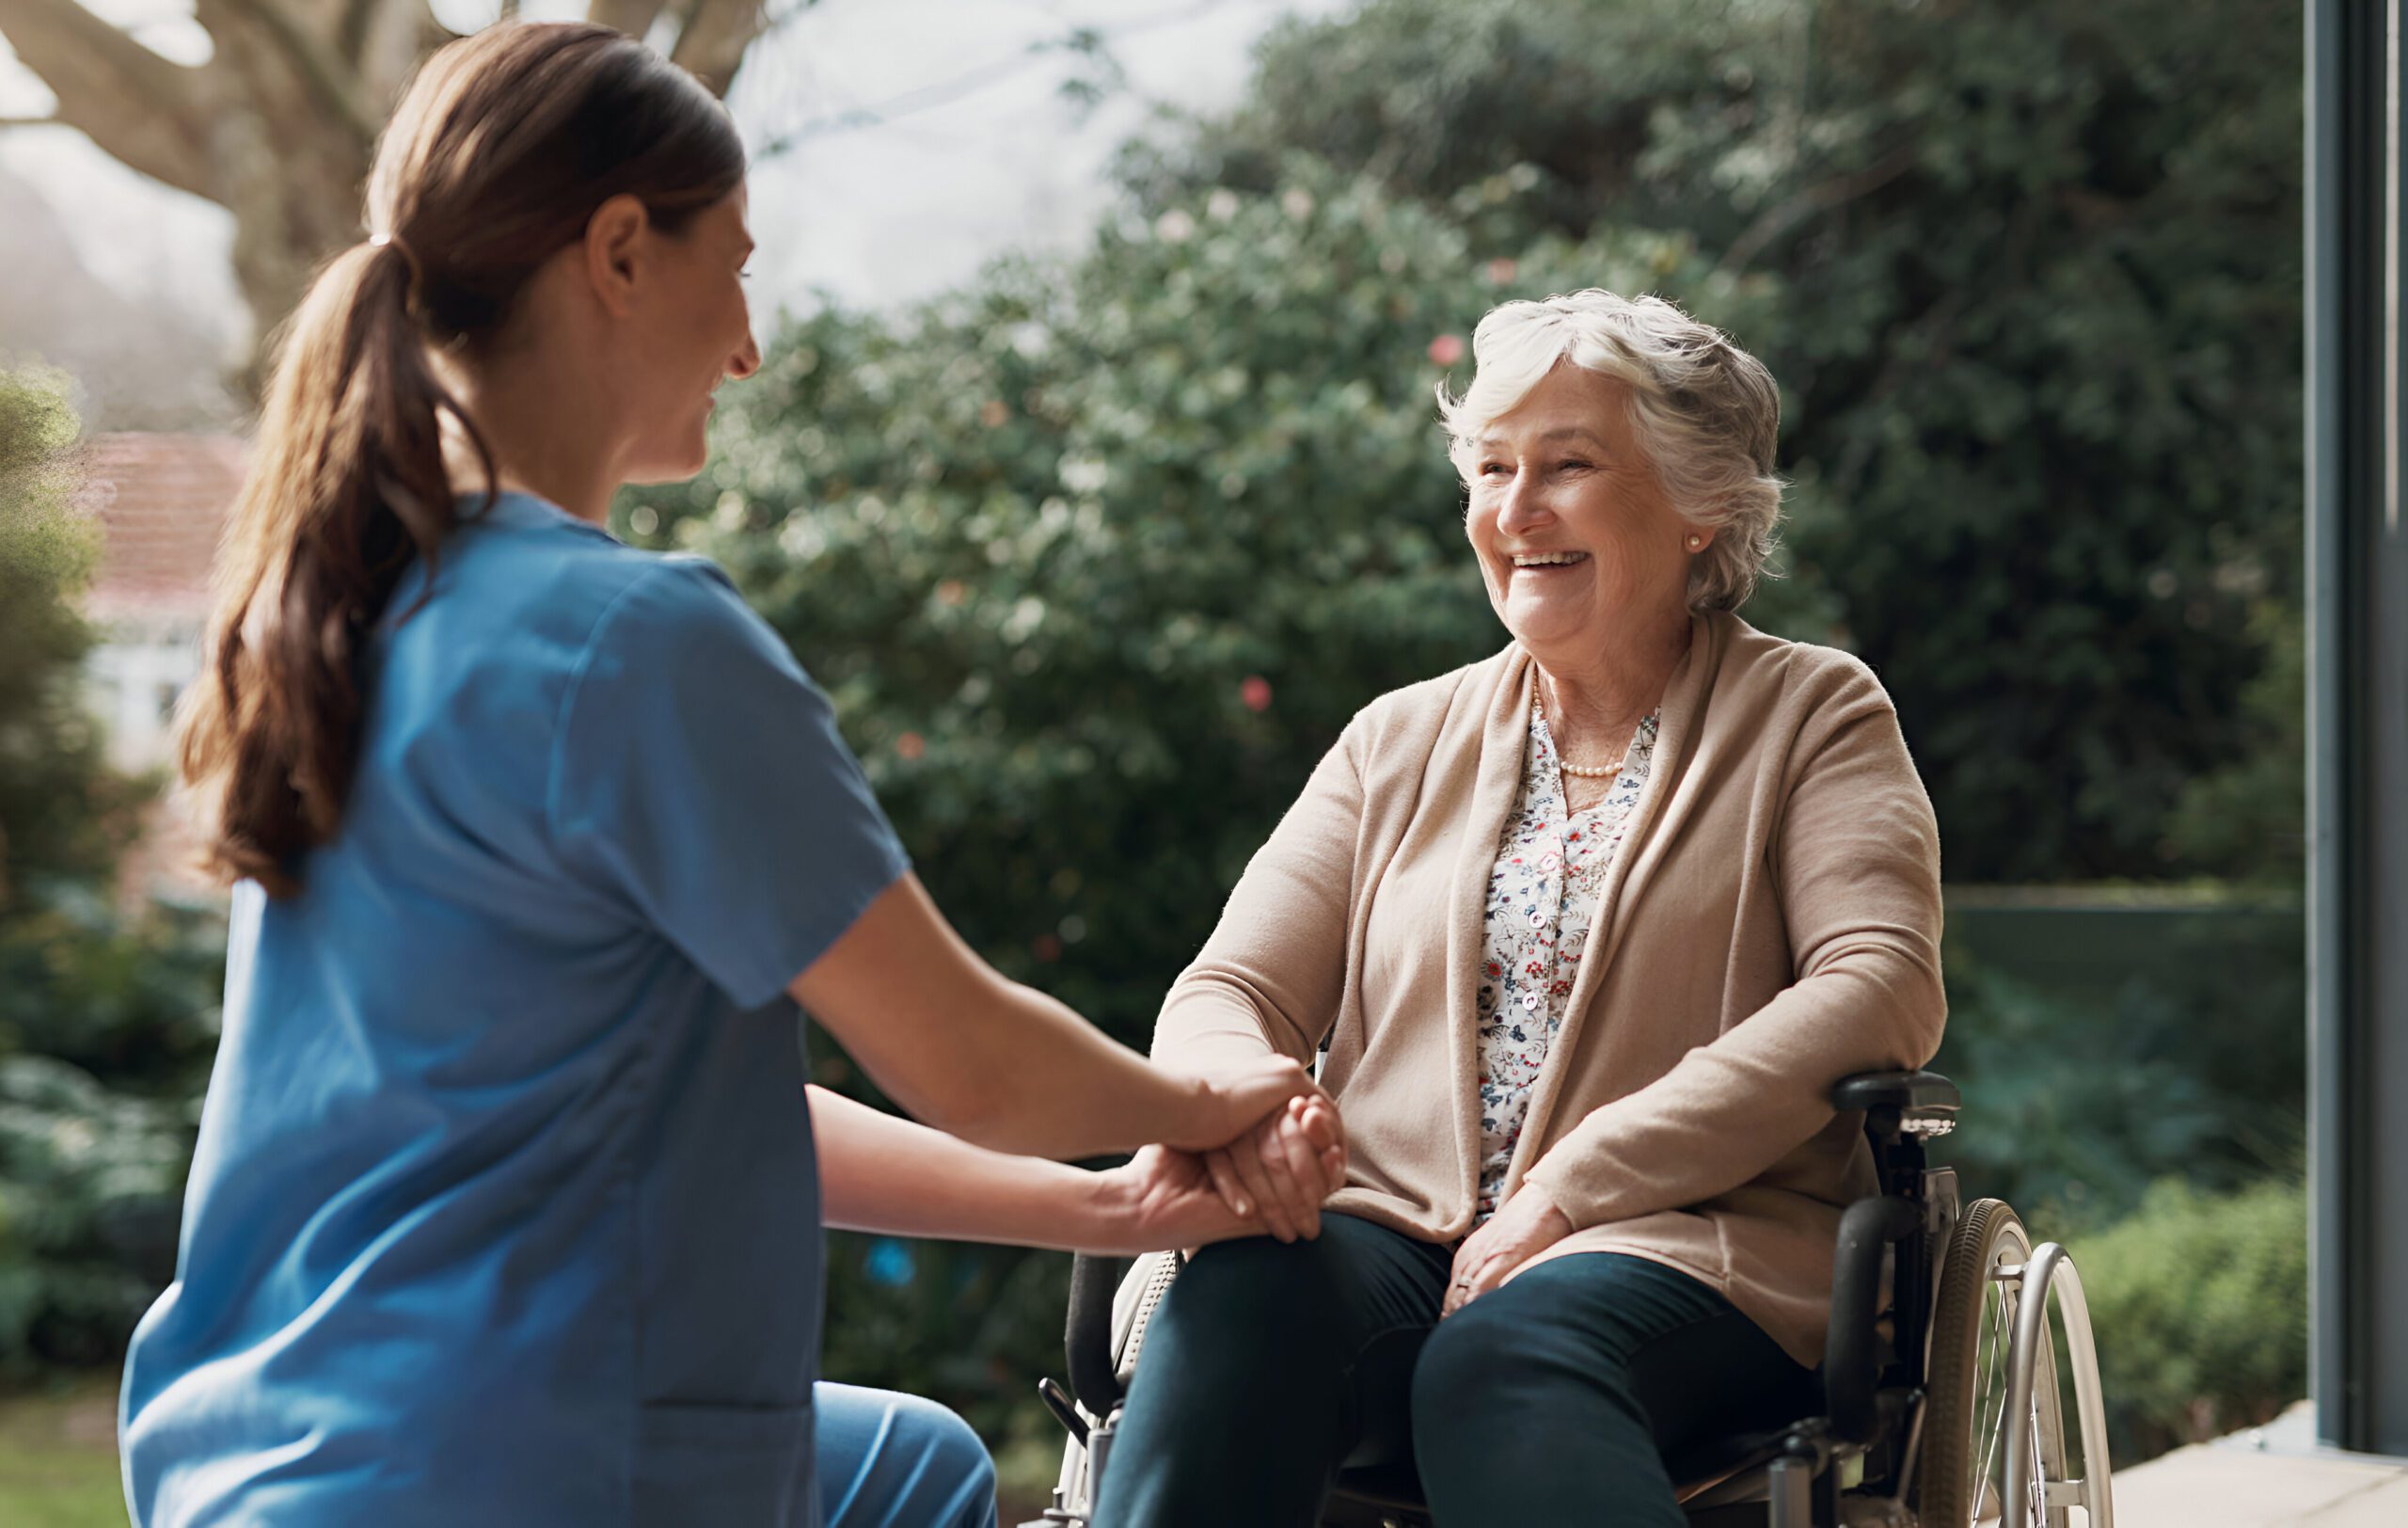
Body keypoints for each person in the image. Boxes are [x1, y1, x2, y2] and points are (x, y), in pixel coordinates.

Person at [118, 23, 1342, 1528]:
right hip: (517, 1473)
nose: (750, 340)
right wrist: (1209, 1101)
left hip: (272, 1462)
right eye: (737, 263)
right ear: (620, 251)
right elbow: (968, 1058)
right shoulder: (630, 642)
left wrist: (1105, 1202)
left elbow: (706, 1107)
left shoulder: (359, 616)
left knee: (910, 1466)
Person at [1093, 290, 1947, 1528]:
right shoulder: (1397, 740)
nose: (1513, 510)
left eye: (1567, 465)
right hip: (1392, 1226)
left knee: (1506, 1357)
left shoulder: (1816, 714)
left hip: (1688, 1246)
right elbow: (1233, 991)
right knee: (1246, 1290)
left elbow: (1879, 987)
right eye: (1490, 469)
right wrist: (1250, 1107)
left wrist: (1575, 1186)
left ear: (1700, 502)